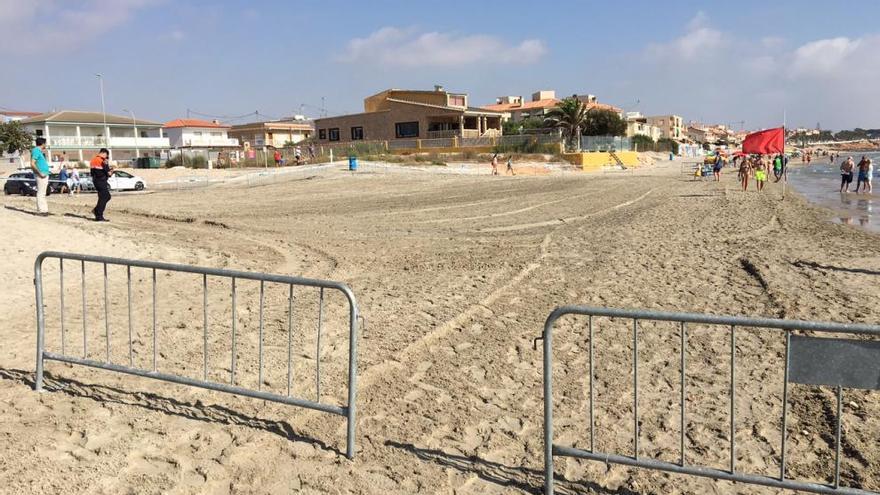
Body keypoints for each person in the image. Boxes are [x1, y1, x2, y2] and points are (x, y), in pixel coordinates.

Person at [90, 148, 115, 221]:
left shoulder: (93, 160)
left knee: (104, 197)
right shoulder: (102, 161)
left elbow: (92, 172)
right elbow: (109, 173)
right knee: (105, 197)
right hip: (101, 181)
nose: (106, 157)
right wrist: (111, 170)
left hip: (95, 181)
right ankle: (98, 215)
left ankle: (97, 211)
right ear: (104, 153)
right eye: (107, 156)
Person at [30, 138, 51, 215]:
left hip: (44, 174)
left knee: (43, 193)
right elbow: (32, 164)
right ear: (42, 144)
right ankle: (41, 210)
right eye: (45, 143)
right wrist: (40, 173)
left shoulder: (38, 151)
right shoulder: (36, 150)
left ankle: (44, 210)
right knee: (41, 193)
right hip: (41, 175)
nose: (45, 145)